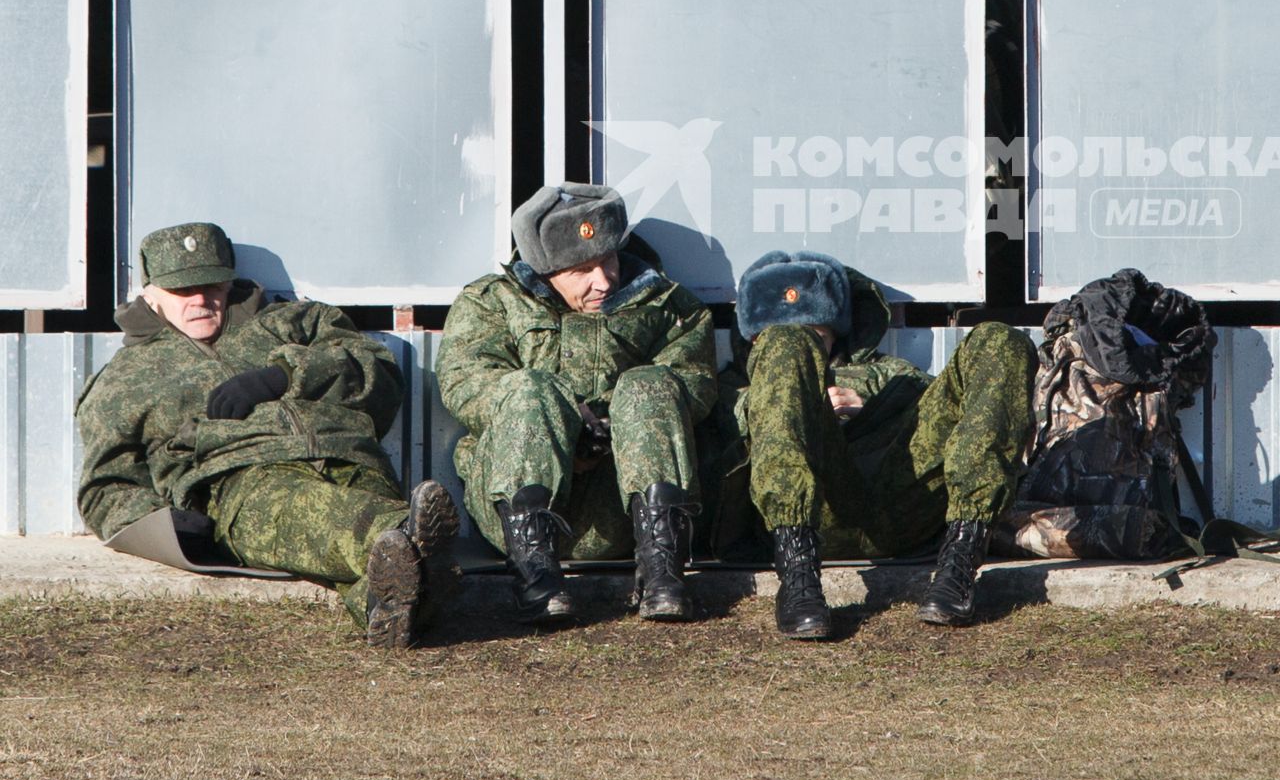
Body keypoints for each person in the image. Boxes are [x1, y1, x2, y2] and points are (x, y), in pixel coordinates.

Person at [75, 223, 458, 649]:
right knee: (322, 514)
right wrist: (161, 523)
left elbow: (380, 371)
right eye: (184, 291)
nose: (201, 300)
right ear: (151, 295)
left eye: (212, 286)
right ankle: (410, 534)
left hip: (344, 452)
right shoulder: (123, 381)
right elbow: (105, 486)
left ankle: (383, 603)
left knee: (367, 543)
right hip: (240, 480)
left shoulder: (297, 322)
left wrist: (284, 375)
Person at [714, 250, 1035, 639]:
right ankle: (798, 581)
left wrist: (872, 403)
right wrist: (797, 403)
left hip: (897, 502)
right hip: (810, 516)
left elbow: (951, 418)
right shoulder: (730, 389)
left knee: (1001, 339)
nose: (809, 352)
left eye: (816, 337)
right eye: (793, 343)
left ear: (837, 334)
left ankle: (961, 559)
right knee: (784, 358)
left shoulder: (892, 374)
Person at [436, 183, 716, 624]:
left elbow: (695, 384)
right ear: (545, 269)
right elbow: (466, 382)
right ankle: (535, 578)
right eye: (582, 270)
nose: (603, 281)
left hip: (622, 504)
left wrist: (609, 433)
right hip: (516, 499)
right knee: (529, 387)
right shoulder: (491, 303)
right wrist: (568, 430)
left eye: (609, 261)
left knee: (650, 384)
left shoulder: (669, 306)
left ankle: (663, 572)